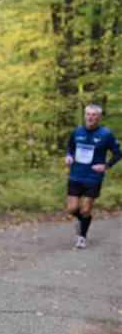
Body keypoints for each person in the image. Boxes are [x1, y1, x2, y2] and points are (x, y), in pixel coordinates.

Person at [64, 104, 120, 248]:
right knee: (72, 209)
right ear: (84, 116)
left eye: (94, 115)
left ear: (99, 117)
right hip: (76, 175)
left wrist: (106, 166)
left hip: (93, 178)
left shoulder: (105, 134)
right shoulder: (77, 132)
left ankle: (82, 237)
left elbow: (118, 153)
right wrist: (68, 156)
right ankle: (82, 221)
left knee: (86, 209)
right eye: (88, 114)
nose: (90, 117)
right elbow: (70, 148)